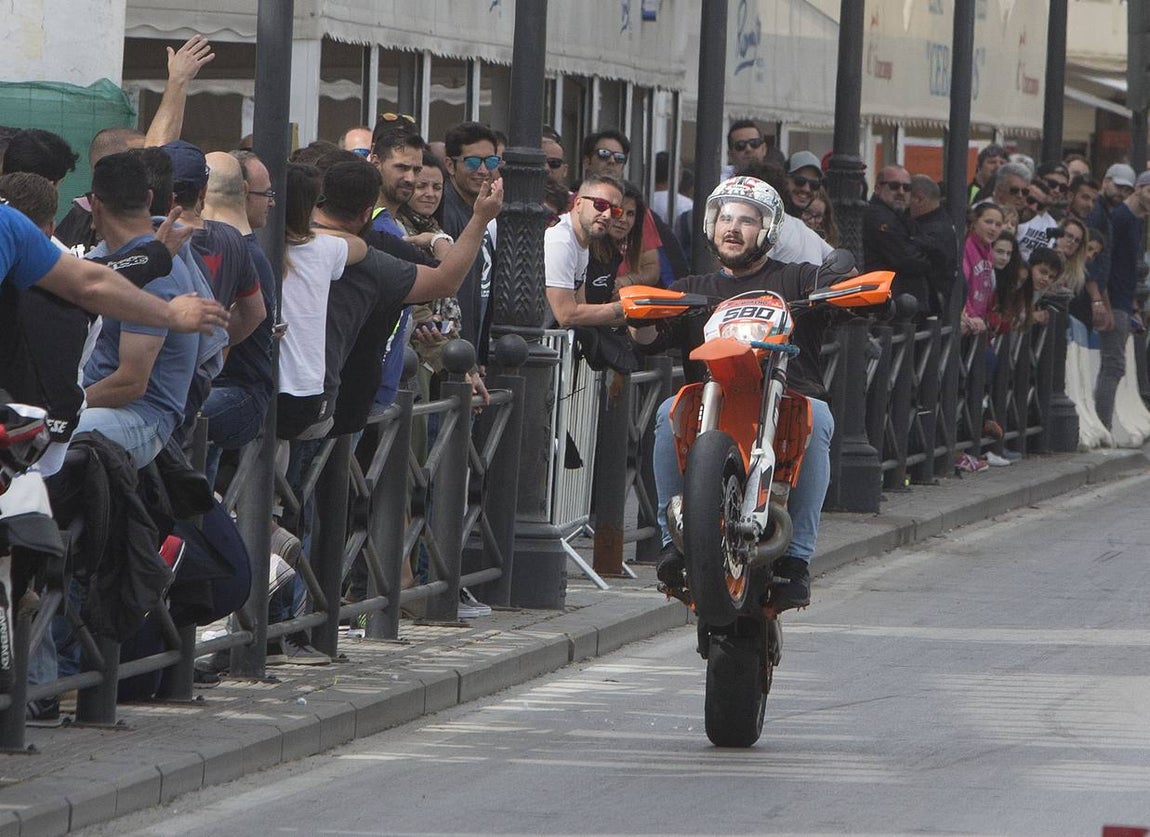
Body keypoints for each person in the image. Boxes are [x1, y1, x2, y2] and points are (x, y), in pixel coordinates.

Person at [630, 176, 839, 611]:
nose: (733, 227)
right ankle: (671, 543)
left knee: (818, 416)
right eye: (725, 217)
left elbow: (853, 298)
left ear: (769, 230)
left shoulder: (797, 278)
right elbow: (648, 339)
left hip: (789, 401)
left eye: (747, 220)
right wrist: (638, 311)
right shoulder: (693, 287)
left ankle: (797, 559)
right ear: (710, 223)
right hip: (712, 408)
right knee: (668, 409)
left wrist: (843, 284)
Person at [76, 152, 202, 467]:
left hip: (142, 418)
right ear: (148, 198)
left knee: (42, 438)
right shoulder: (121, 259)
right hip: (102, 403)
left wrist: (63, 409)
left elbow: (131, 383)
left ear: (94, 204)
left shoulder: (158, 275)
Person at [1094, 170, 1150, 430]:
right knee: (1113, 365)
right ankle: (1103, 425)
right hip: (1114, 301)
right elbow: (1109, 262)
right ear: (1139, 188)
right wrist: (1104, 301)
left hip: (1123, 302)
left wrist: (1134, 308)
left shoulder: (1136, 221)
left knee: (1114, 365)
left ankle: (1104, 422)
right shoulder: (1121, 218)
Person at [544, 174, 627, 327]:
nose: (607, 215)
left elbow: (582, 308)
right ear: (578, 203)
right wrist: (623, 308)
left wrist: (641, 317)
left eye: (615, 211)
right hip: (525, 343)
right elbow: (566, 314)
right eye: (600, 205)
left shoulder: (582, 243)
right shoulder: (561, 240)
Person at [863, 165, 933, 317]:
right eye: (894, 186)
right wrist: (928, 258)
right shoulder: (877, 216)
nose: (901, 192)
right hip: (889, 308)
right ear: (877, 188)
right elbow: (905, 258)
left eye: (907, 187)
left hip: (902, 307)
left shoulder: (902, 217)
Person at [908, 175, 960, 317]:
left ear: (919, 199)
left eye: (907, 197)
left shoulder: (933, 230)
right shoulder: (942, 222)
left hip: (930, 306)